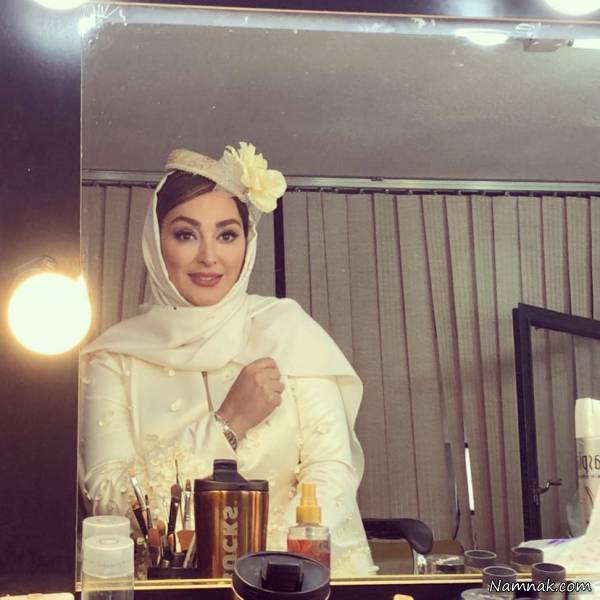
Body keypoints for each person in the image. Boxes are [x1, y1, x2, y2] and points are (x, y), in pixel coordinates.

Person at [79, 142, 375, 576]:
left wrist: (266, 574)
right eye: (186, 234)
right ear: (156, 243)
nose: (209, 257)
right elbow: (112, 503)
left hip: (287, 585)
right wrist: (228, 423)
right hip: (171, 588)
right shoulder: (114, 359)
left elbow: (330, 472)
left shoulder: (289, 331)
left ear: (247, 243)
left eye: (227, 235)